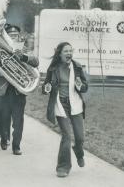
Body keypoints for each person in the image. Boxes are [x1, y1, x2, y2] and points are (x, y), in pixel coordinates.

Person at [42, 42, 88, 178]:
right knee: (67, 136)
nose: (69, 53)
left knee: (80, 137)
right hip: (60, 104)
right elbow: (46, 85)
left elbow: (85, 86)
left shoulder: (77, 67)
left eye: (70, 51)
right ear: (60, 53)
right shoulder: (53, 68)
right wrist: (47, 88)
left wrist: (81, 86)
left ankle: (79, 152)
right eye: (66, 51)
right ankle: (63, 167)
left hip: (75, 104)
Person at [0, 25, 39, 155]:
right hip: (3, 89)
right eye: (10, 35)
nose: (13, 37)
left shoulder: (25, 49)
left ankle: (16, 146)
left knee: (18, 120)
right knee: (3, 118)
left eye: (15, 35)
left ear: (19, 36)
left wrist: (24, 57)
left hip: (18, 90)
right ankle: (4, 138)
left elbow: (36, 62)